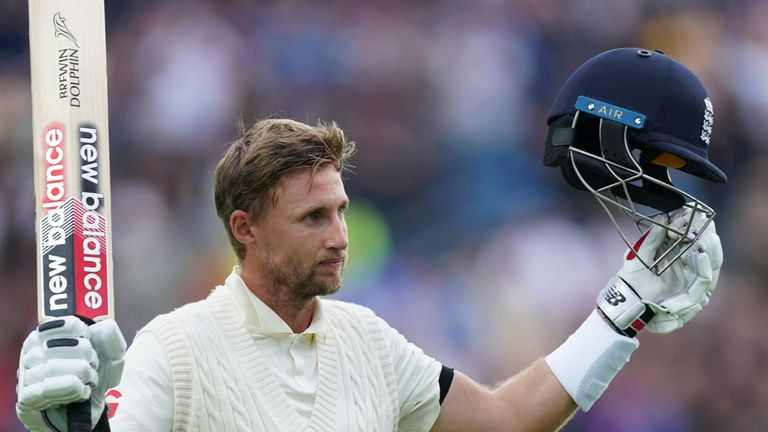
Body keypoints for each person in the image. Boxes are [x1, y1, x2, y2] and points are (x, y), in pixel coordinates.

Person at [16, 47, 724, 431]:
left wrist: (620, 311)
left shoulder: (371, 344)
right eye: (312, 218)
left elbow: (507, 423)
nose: (340, 237)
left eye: (342, 211)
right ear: (246, 230)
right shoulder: (176, 348)